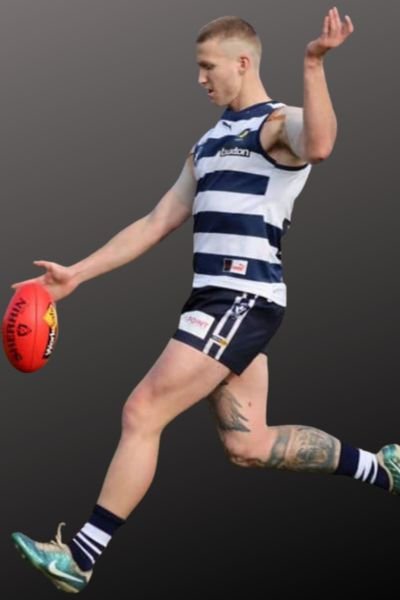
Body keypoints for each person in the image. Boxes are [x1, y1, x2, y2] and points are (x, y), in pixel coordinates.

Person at [10, 7, 398, 595]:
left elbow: (319, 144)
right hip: (215, 302)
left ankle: (80, 557)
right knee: (249, 444)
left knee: (142, 412)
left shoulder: (276, 126)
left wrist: (314, 63)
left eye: (207, 66)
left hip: (243, 297)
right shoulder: (209, 142)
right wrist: (77, 275)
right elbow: (156, 221)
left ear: (242, 63)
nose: (200, 78)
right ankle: (384, 469)